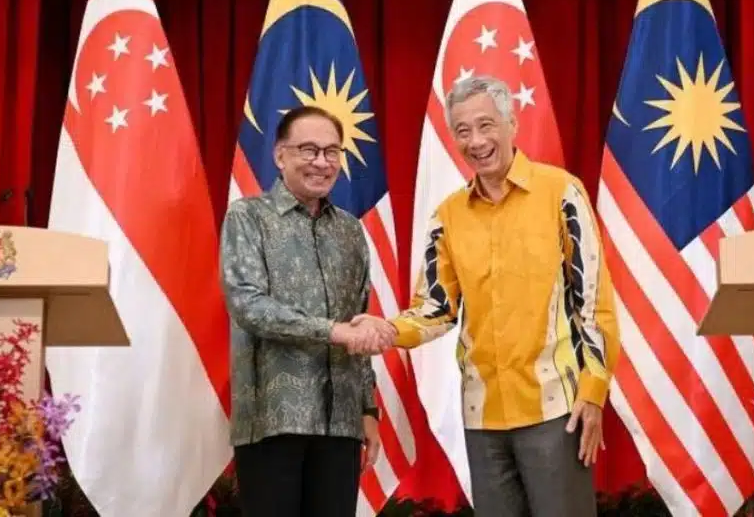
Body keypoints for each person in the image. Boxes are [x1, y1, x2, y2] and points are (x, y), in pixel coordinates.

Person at [354, 76, 621, 517]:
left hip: (557, 408)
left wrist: (593, 391)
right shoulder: (448, 216)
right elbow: (436, 309)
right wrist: (387, 328)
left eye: (486, 125)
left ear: (511, 124)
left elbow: (593, 304)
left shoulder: (561, 193)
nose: (476, 141)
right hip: (482, 417)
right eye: (462, 131)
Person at [221, 105, 395, 517]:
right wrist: (333, 331)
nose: (322, 162)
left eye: (332, 152)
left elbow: (358, 319)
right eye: (309, 150)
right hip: (272, 418)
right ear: (280, 155)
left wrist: (367, 409)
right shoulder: (248, 217)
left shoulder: (350, 231)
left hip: (340, 422)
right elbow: (248, 304)